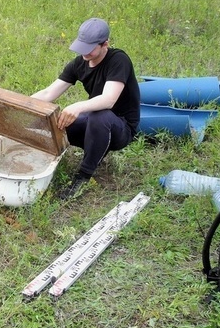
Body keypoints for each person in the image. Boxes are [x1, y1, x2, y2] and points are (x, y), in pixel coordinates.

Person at [31, 18, 140, 199]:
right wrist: (20, 104)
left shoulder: (119, 60)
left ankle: (82, 178)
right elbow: (49, 92)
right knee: (55, 121)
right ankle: (44, 163)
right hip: (93, 121)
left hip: (121, 128)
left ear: (105, 44)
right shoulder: (79, 63)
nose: (84, 53)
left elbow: (109, 100)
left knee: (100, 117)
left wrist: (78, 106)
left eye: (89, 48)